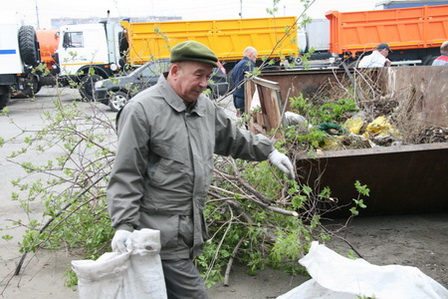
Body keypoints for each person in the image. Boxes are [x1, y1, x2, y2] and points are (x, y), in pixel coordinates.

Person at [107, 40, 295, 299]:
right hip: (157, 233)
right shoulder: (142, 111)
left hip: (190, 230)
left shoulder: (204, 108)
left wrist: (269, 151)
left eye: (208, 76)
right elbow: (127, 173)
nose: (204, 83)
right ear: (175, 72)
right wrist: (124, 225)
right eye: (199, 75)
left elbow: (233, 139)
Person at [231, 46, 258, 115]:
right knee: (250, 122)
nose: (256, 58)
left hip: (237, 98)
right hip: (244, 98)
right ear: (251, 54)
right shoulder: (248, 64)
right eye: (255, 56)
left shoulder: (237, 65)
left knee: (245, 122)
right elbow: (252, 81)